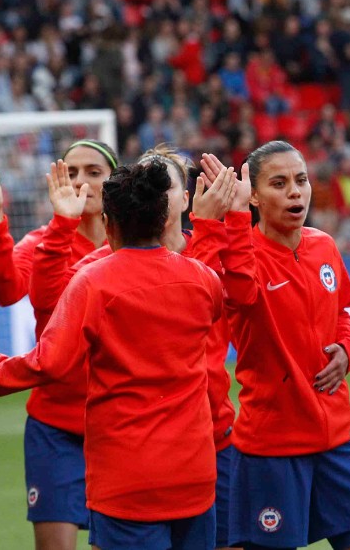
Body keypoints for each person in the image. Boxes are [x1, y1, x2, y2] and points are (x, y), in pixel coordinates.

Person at [0, 159, 224, 550]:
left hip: (128, 476)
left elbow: (48, 363)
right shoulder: (204, 279)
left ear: (109, 224)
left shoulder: (93, 281)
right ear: (163, 217)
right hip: (195, 473)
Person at [55, 145, 240, 550]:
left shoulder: (216, 256)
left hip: (214, 442)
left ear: (185, 198)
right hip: (146, 456)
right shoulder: (103, 267)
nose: (157, 193)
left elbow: (244, 302)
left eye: (165, 185)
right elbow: (52, 307)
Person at [204, 142, 350, 550]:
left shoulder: (324, 245)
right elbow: (242, 295)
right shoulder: (241, 256)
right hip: (272, 447)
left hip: (336, 440)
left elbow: (343, 314)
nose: (295, 192)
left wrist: (347, 349)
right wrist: (234, 217)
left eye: (300, 180)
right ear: (254, 196)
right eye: (279, 183)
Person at [0, 138, 117, 550]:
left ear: (116, 181)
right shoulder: (44, 241)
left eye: (94, 172)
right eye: (70, 172)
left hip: (118, 424)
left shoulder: (132, 245)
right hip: (55, 425)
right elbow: (6, 291)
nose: (80, 181)